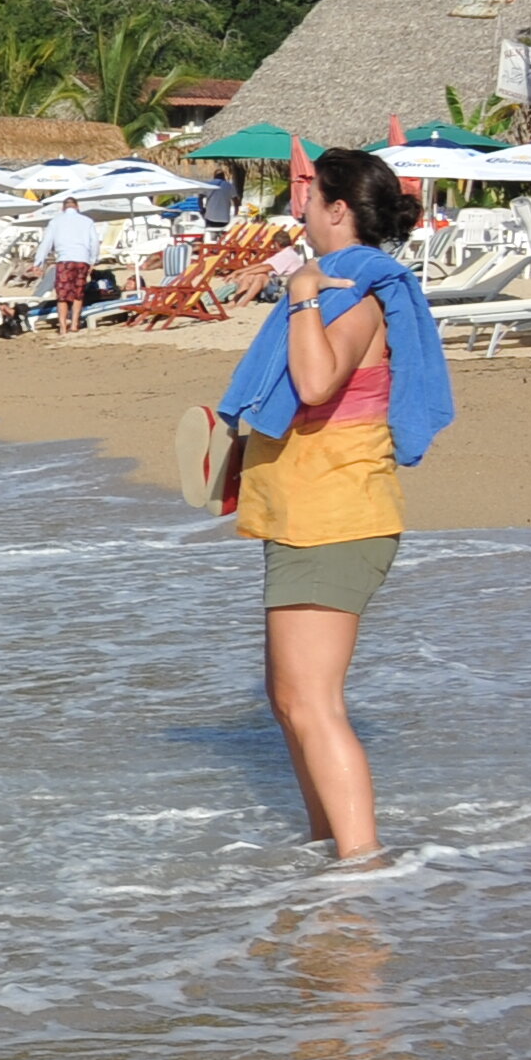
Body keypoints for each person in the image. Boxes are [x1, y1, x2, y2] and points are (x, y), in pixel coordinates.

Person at [218, 145, 450, 867]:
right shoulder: (333, 278)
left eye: (308, 197)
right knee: (288, 699)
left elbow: (316, 383)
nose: (299, 208)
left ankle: (363, 864)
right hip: (303, 514)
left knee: (312, 702)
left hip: (337, 515)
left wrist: (303, 296)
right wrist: (288, 277)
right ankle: (330, 852)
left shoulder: (358, 294)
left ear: (338, 209)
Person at [43, 196, 103, 333]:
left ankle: (63, 327)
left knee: (62, 295)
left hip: (64, 260)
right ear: (77, 207)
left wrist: (38, 261)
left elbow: (46, 243)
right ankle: (74, 324)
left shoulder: (55, 221)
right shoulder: (87, 221)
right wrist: (93, 260)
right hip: (82, 260)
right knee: (78, 293)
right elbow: (94, 242)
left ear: (63, 208)